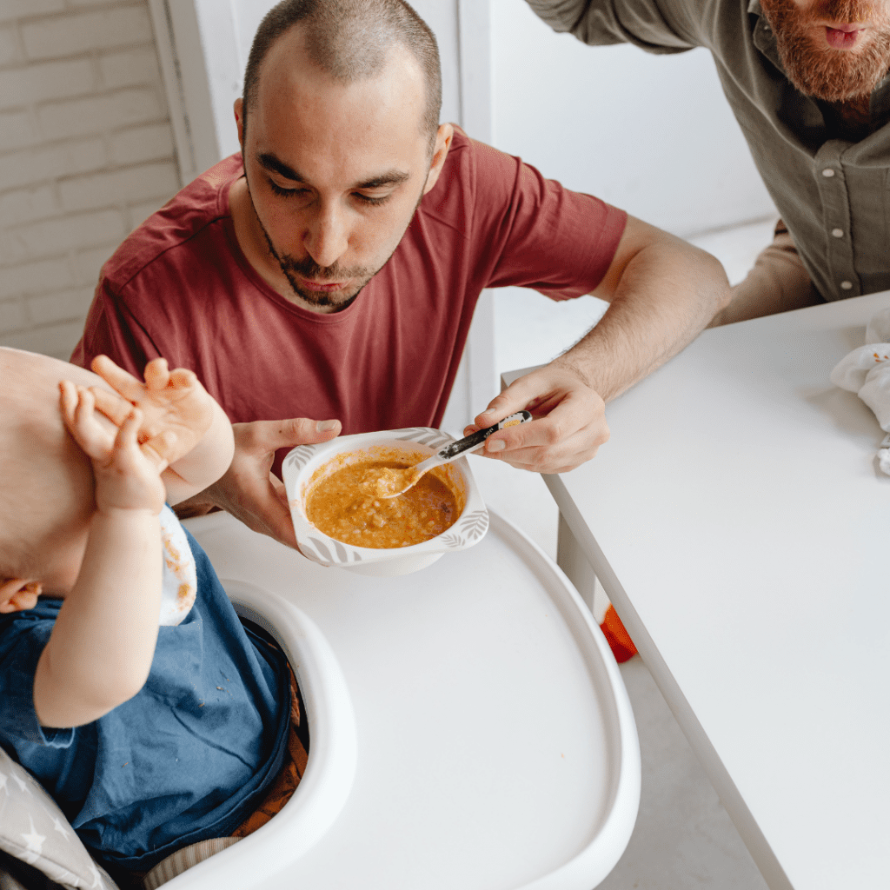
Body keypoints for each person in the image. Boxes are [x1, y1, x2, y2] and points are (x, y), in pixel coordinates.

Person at [72, 0, 731, 552]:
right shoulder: (141, 298)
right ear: (243, 131)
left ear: (436, 159)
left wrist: (591, 376)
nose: (326, 248)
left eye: (373, 194)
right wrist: (201, 483)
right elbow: (58, 536)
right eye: (286, 184)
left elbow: (690, 273)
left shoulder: (470, 189)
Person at [0, 349, 307, 882]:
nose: (152, 492)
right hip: (206, 836)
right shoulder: (22, 657)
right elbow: (109, 675)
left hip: (280, 719)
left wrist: (196, 426)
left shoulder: (122, 498)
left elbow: (196, 469)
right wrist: (126, 511)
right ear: (17, 590)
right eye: (109, 502)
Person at [524, 0, 890, 325]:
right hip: (815, 257)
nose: (850, 8)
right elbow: (582, 10)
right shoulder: (721, 8)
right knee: (665, 376)